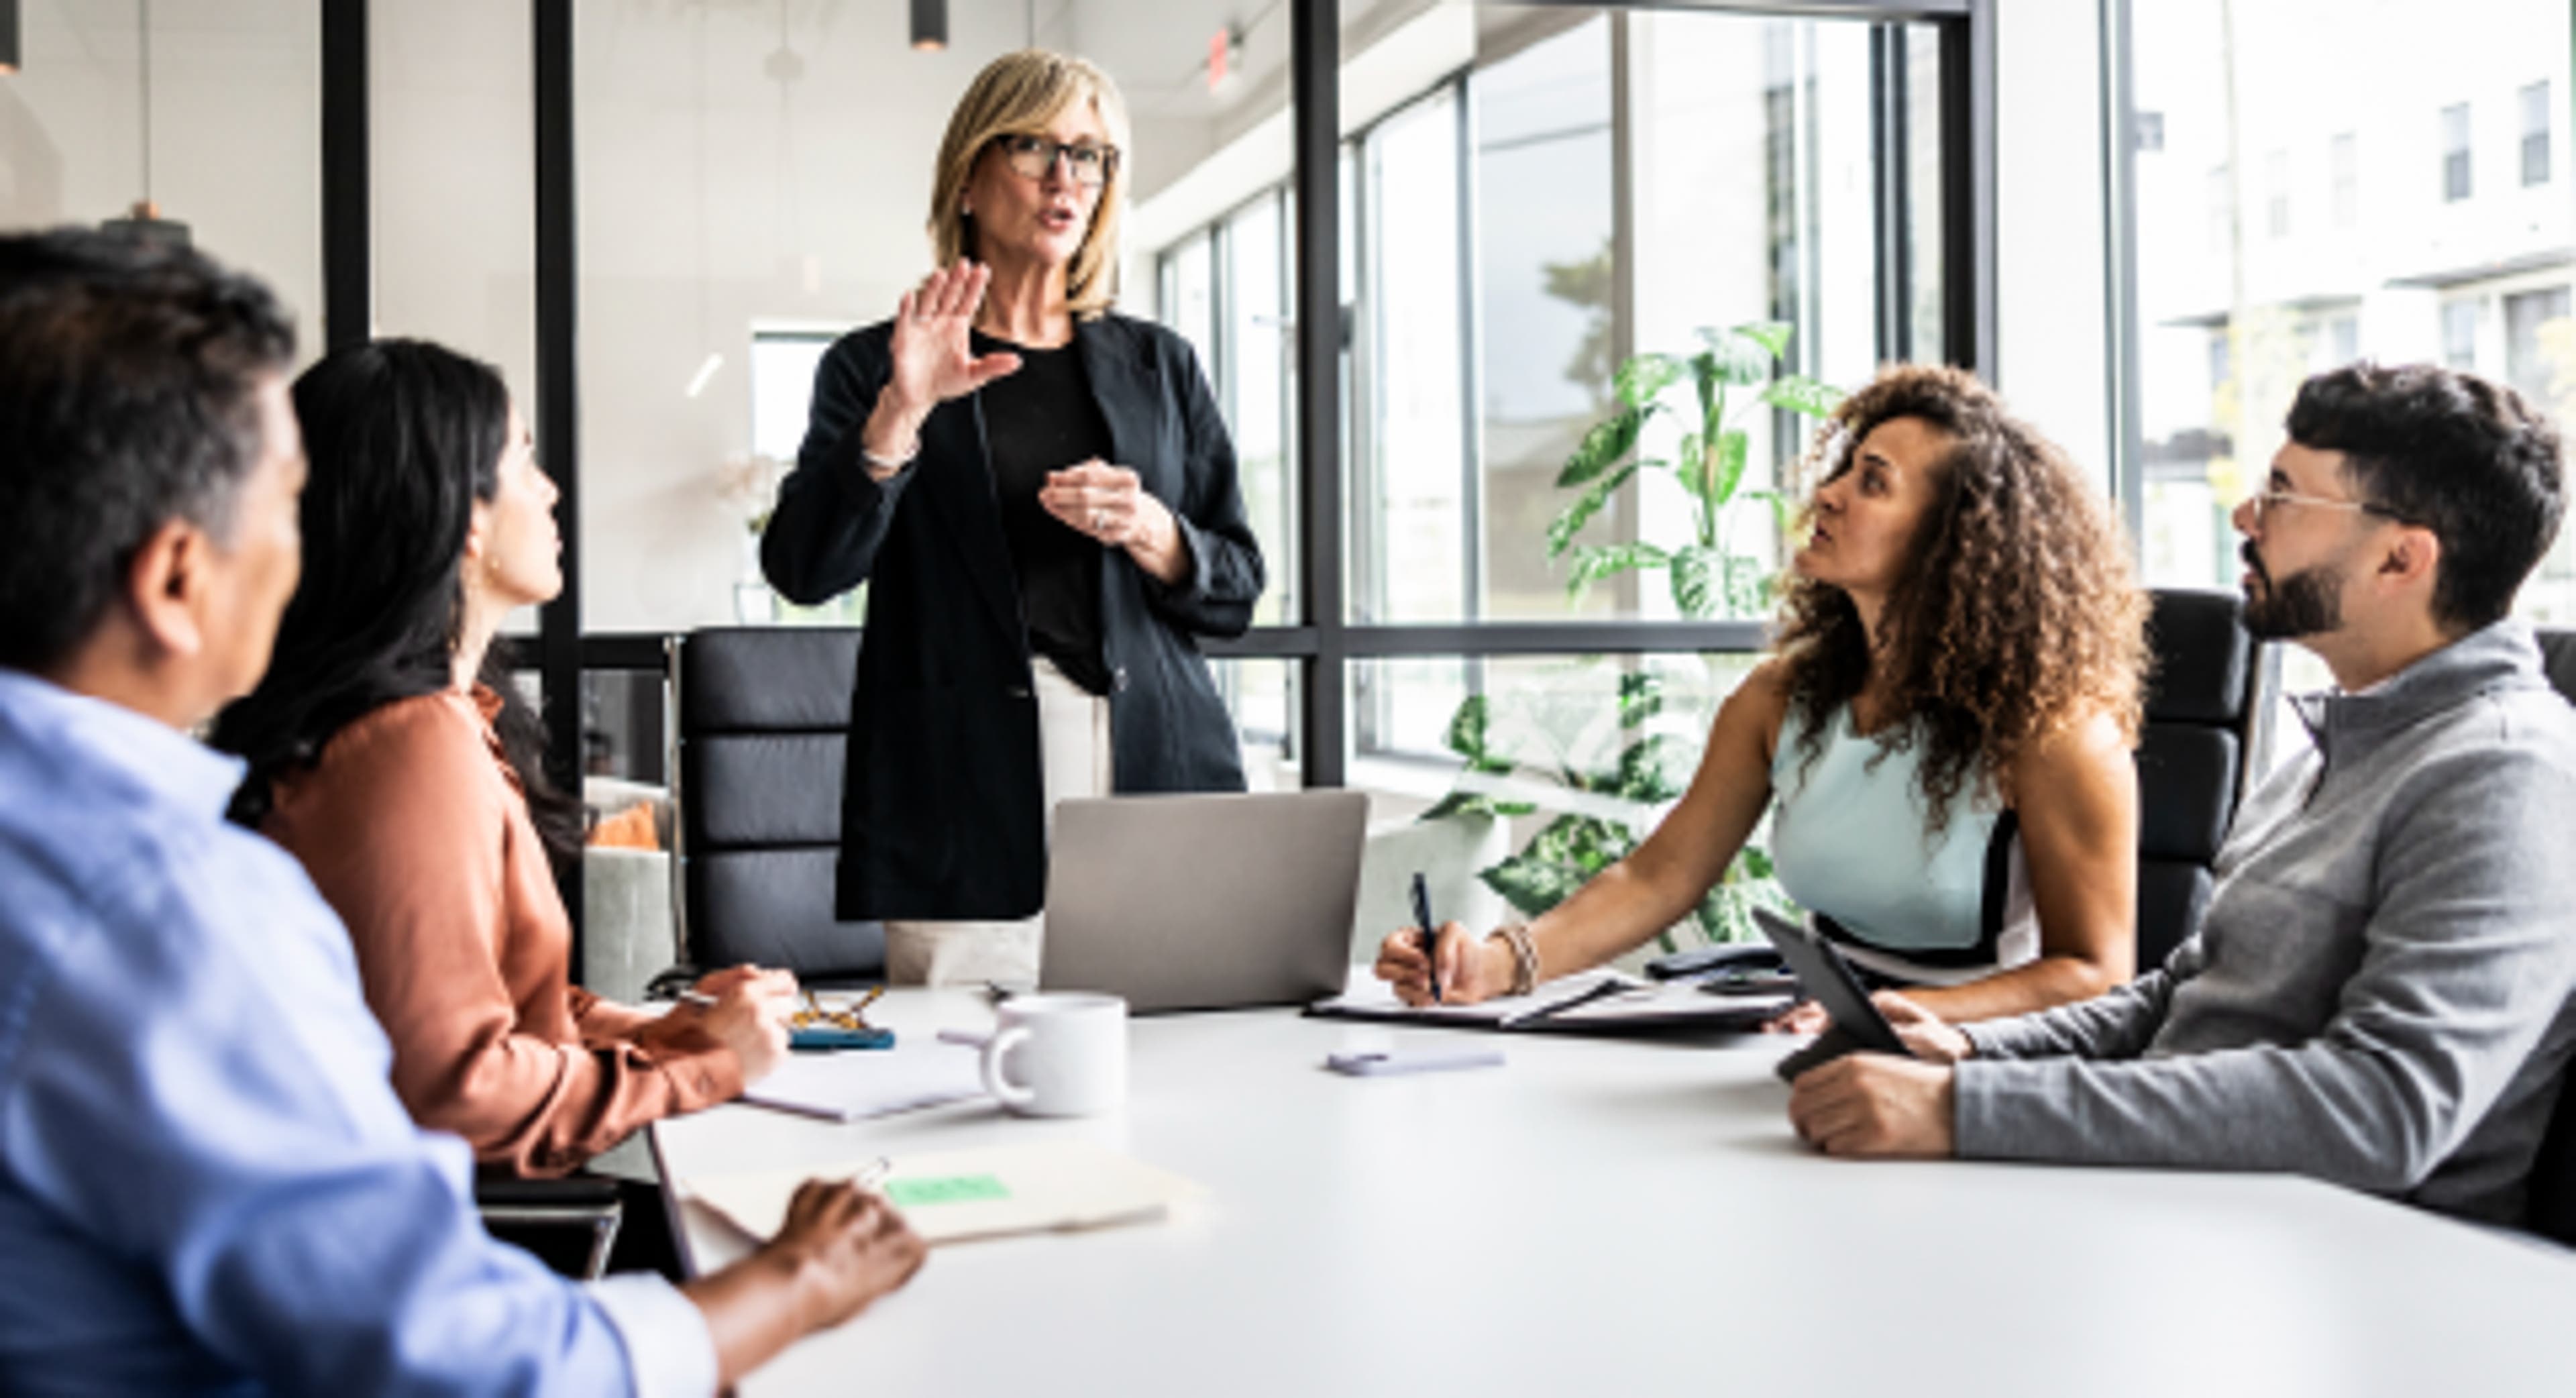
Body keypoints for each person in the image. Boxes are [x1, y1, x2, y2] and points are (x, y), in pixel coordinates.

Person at [0, 228, 920, 1395]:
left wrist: (672, 1032)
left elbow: (468, 1000)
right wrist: (799, 1273)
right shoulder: (171, 901)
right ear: (178, 577)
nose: (309, 540)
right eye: (285, 503)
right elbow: (458, 1344)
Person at [1787, 362, 2576, 1231]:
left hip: (2348, 1264)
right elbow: (2182, 997)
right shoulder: (2338, 748)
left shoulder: (2505, 773)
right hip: (2190, 1206)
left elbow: (2384, 1107)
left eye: (2283, 496)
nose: (2247, 519)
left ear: (2401, 556)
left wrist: (1963, 1113)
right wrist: (1970, 1052)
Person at [1379, 364, 2149, 1023]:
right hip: (1813, 1032)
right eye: (1846, 468)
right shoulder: (1784, 697)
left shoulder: (2055, 731)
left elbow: (2096, 971)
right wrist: (1494, 963)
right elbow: (1658, 876)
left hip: (1975, 1059)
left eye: (1872, 483)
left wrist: (1899, 1014)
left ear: (1954, 540)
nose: (1830, 493)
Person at [211, 339, 794, 1183]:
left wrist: (660, 1031)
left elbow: (493, 1003)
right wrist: (703, 1068)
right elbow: (453, 1089)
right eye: (525, 459)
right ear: (468, 516)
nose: (551, 488)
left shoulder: (450, 720)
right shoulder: (408, 747)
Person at [762, 49, 1264, 987]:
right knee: (961, 1088)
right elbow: (804, 569)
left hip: (1156, 766)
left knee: (1180, 1068)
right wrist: (899, 416)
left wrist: (1157, 533)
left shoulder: (1161, 365)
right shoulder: (876, 363)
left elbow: (1237, 587)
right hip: (963, 784)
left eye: (1092, 155)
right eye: (1037, 146)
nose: (1067, 177)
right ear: (968, 175)